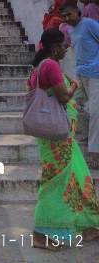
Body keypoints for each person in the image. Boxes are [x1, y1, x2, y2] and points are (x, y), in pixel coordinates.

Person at [27, 28, 99, 250]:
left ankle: (87, 226)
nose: (67, 49)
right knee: (56, 181)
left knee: (78, 174)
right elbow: (64, 96)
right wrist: (74, 86)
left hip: (61, 137)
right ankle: (41, 234)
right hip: (56, 138)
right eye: (65, 45)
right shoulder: (50, 65)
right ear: (55, 47)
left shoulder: (39, 67)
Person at [60, 2, 99, 166]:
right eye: (64, 16)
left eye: (69, 14)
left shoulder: (89, 24)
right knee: (70, 105)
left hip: (95, 73)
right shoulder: (70, 29)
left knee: (97, 112)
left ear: (77, 11)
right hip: (80, 73)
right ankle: (75, 138)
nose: (67, 18)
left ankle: (95, 153)